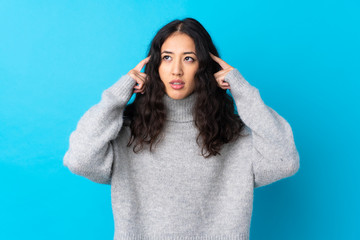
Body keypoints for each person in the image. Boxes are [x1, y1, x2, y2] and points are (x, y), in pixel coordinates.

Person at [63, 18, 300, 240]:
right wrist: (118, 95)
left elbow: (283, 162)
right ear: (155, 66)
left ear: (205, 67)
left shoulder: (233, 134)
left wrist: (242, 90)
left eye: (189, 58)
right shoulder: (127, 130)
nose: (176, 70)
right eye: (167, 58)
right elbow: (81, 160)